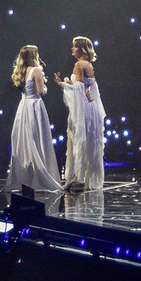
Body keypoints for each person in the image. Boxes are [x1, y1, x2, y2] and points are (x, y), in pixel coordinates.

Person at [7, 45, 64, 199]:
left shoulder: (21, 71)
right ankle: (37, 177)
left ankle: (27, 178)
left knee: (25, 142)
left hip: (23, 108)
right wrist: (45, 86)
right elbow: (40, 91)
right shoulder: (36, 70)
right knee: (36, 140)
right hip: (34, 107)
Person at [60, 37, 105, 195]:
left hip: (83, 109)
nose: (72, 50)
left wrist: (63, 85)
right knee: (89, 143)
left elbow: (79, 91)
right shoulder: (89, 65)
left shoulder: (79, 64)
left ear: (81, 49)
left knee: (79, 140)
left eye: (74, 47)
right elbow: (87, 87)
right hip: (90, 107)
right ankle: (83, 178)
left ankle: (77, 178)